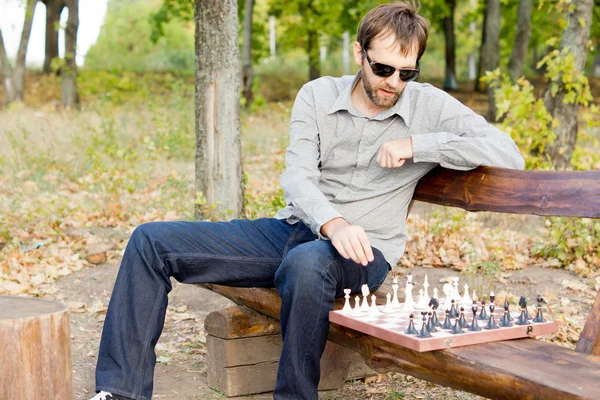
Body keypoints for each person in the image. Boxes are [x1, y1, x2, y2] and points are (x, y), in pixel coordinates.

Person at [90, 2, 524, 399]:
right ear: (359, 53)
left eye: (406, 73)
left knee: (309, 263)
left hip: (363, 253)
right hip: (294, 230)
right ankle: (121, 392)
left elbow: (508, 153)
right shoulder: (316, 96)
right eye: (382, 68)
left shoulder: (429, 105)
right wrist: (332, 222)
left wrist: (419, 143)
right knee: (151, 241)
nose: (393, 82)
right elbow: (297, 177)